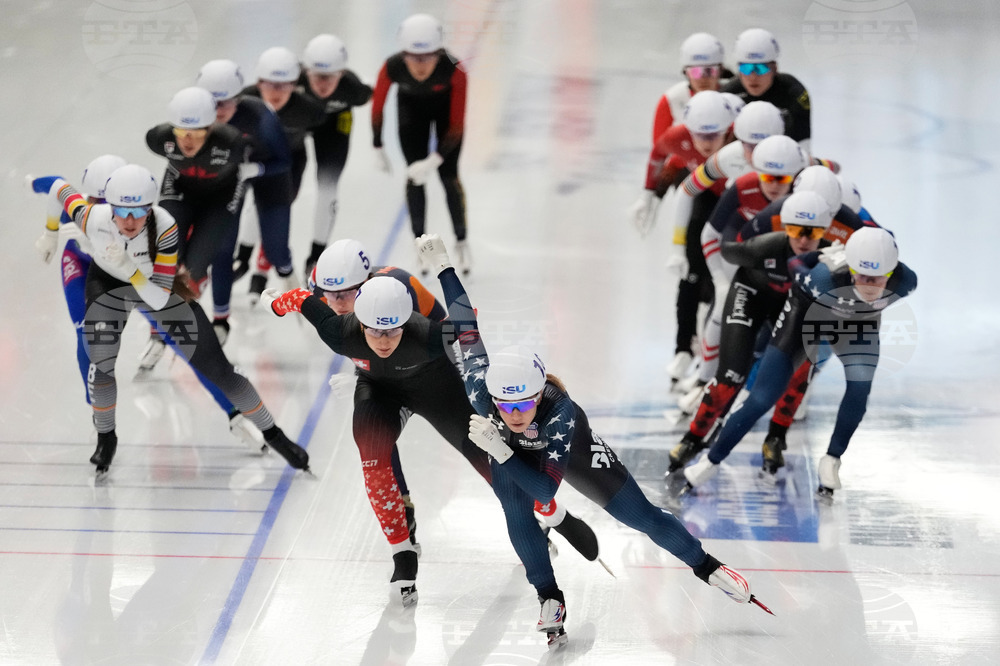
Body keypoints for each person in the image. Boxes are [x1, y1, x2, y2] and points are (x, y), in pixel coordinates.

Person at [415, 234, 772, 647]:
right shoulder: (480, 386)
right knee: (515, 512)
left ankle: (707, 565)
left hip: (572, 451)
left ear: (538, 394)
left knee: (640, 516)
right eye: (504, 405)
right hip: (511, 452)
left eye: (523, 404)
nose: (513, 414)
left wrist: (498, 447)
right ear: (491, 395)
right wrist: (444, 267)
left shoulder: (560, 414)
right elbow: (466, 328)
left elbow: (545, 490)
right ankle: (549, 597)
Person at [260, 258, 601, 607]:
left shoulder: (427, 336)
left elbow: (466, 325)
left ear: (406, 323)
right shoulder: (337, 331)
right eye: (374, 331)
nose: (383, 341)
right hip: (380, 391)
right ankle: (402, 553)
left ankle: (550, 512)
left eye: (393, 331)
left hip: (437, 389)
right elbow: (301, 298)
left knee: (492, 460)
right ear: (359, 323)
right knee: (371, 454)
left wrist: (448, 278)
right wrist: (275, 303)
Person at [31, 165, 309, 474]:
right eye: (121, 211)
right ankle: (106, 436)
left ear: (151, 208)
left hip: (153, 287)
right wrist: (50, 232)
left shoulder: (164, 226)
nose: (130, 221)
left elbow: (158, 298)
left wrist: (130, 269)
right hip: (108, 282)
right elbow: (57, 187)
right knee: (101, 360)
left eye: (139, 211)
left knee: (220, 369)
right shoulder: (91, 216)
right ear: (109, 206)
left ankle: (274, 433)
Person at [679, 227, 917, 500]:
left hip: (858, 326)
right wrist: (819, 255)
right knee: (762, 397)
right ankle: (711, 461)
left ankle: (832, 459)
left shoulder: (906, 281)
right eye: (862, 276)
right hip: (806, 318)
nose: (870, 286)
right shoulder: (823, 278)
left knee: (859, 389)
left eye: (879, 278)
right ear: (850, 269)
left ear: (892, 272)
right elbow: (794, 264)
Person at [666, 191, 834, 474]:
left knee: (799, 370)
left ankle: (776, 438)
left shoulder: (830, 259)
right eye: (796, 231)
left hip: (792, 305)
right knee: (730, 375)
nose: (804, 240)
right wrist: (717, 282)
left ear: (824, 231)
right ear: (785, 228)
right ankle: (692, 438)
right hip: (751, 296)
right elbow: (726, 250)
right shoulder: (764, 247)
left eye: (813, 233)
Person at [675, 134, 808, 413]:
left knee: (800, 330)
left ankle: (792, 392)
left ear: (796, 177)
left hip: (789, 271)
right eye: (767, 177)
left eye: (782, 179)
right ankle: (704, 381)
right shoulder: (742, 185)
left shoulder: (809, 193)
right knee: (722, 309)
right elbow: (710, 234)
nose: (774, 185)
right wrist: (720, 281)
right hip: (752, 264)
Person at [141, 86, 252, 370]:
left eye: (197, 134)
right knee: (164, 255)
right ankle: (157, 332)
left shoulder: (231, 142)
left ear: (211, 128)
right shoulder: (159, 138)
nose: (188, 141)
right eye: (181, 133)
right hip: (180, 190)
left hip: (220, 198)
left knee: (195, 266)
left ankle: (181, 314)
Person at [195, 58, 296, 330]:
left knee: (276, 252)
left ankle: (289, 275)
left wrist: (256, 169)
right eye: (212, 104)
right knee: (222, 249)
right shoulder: (195, 113)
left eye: (225, 103)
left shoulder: (262, 117)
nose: (218, 111)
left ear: (238, 99)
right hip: (230, 178)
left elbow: (285, 161)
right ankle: (220, 320)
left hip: (269, 174)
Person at [372, 13, 472, 275]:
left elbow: (457, 124)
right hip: (411, 114)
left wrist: (435, 159)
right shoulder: (392, 66)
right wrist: (377, 145)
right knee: (414, 177)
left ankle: (461, 241)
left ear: (439, 53)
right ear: (402, 54)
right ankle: (422, 246)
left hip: (445, 117)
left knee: (449, 177)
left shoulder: (455, 68)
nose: (420, 65)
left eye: (427, 57)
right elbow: (378, 106)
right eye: (413, 57)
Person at [239, 46, 327, 301]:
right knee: (249, 208)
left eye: (284, 86)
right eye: (270, 85)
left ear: (295, 86)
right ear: (258, 83)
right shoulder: (243, 101)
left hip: (289, 163)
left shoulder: (309, 109)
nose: (276, 93)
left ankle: (261, 269)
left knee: (274, 212)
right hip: (254, 159)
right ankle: (245, 261)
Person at [298, 34, 373, 280]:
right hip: (299, 123)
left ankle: (316, 254)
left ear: (341, 74)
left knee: (328, 188)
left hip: (334, 127)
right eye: (317, 77)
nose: (323, 84)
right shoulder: (293, 80)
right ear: (305, 71)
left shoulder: (353, 88)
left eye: (330, 77)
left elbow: (372, 93)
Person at [722, 28, 812, 154]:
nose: (753, 77)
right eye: (746, 68)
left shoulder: (794, 92)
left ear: (775, 69)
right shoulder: (729, 93)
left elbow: (803, 146)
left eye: (761, 68)